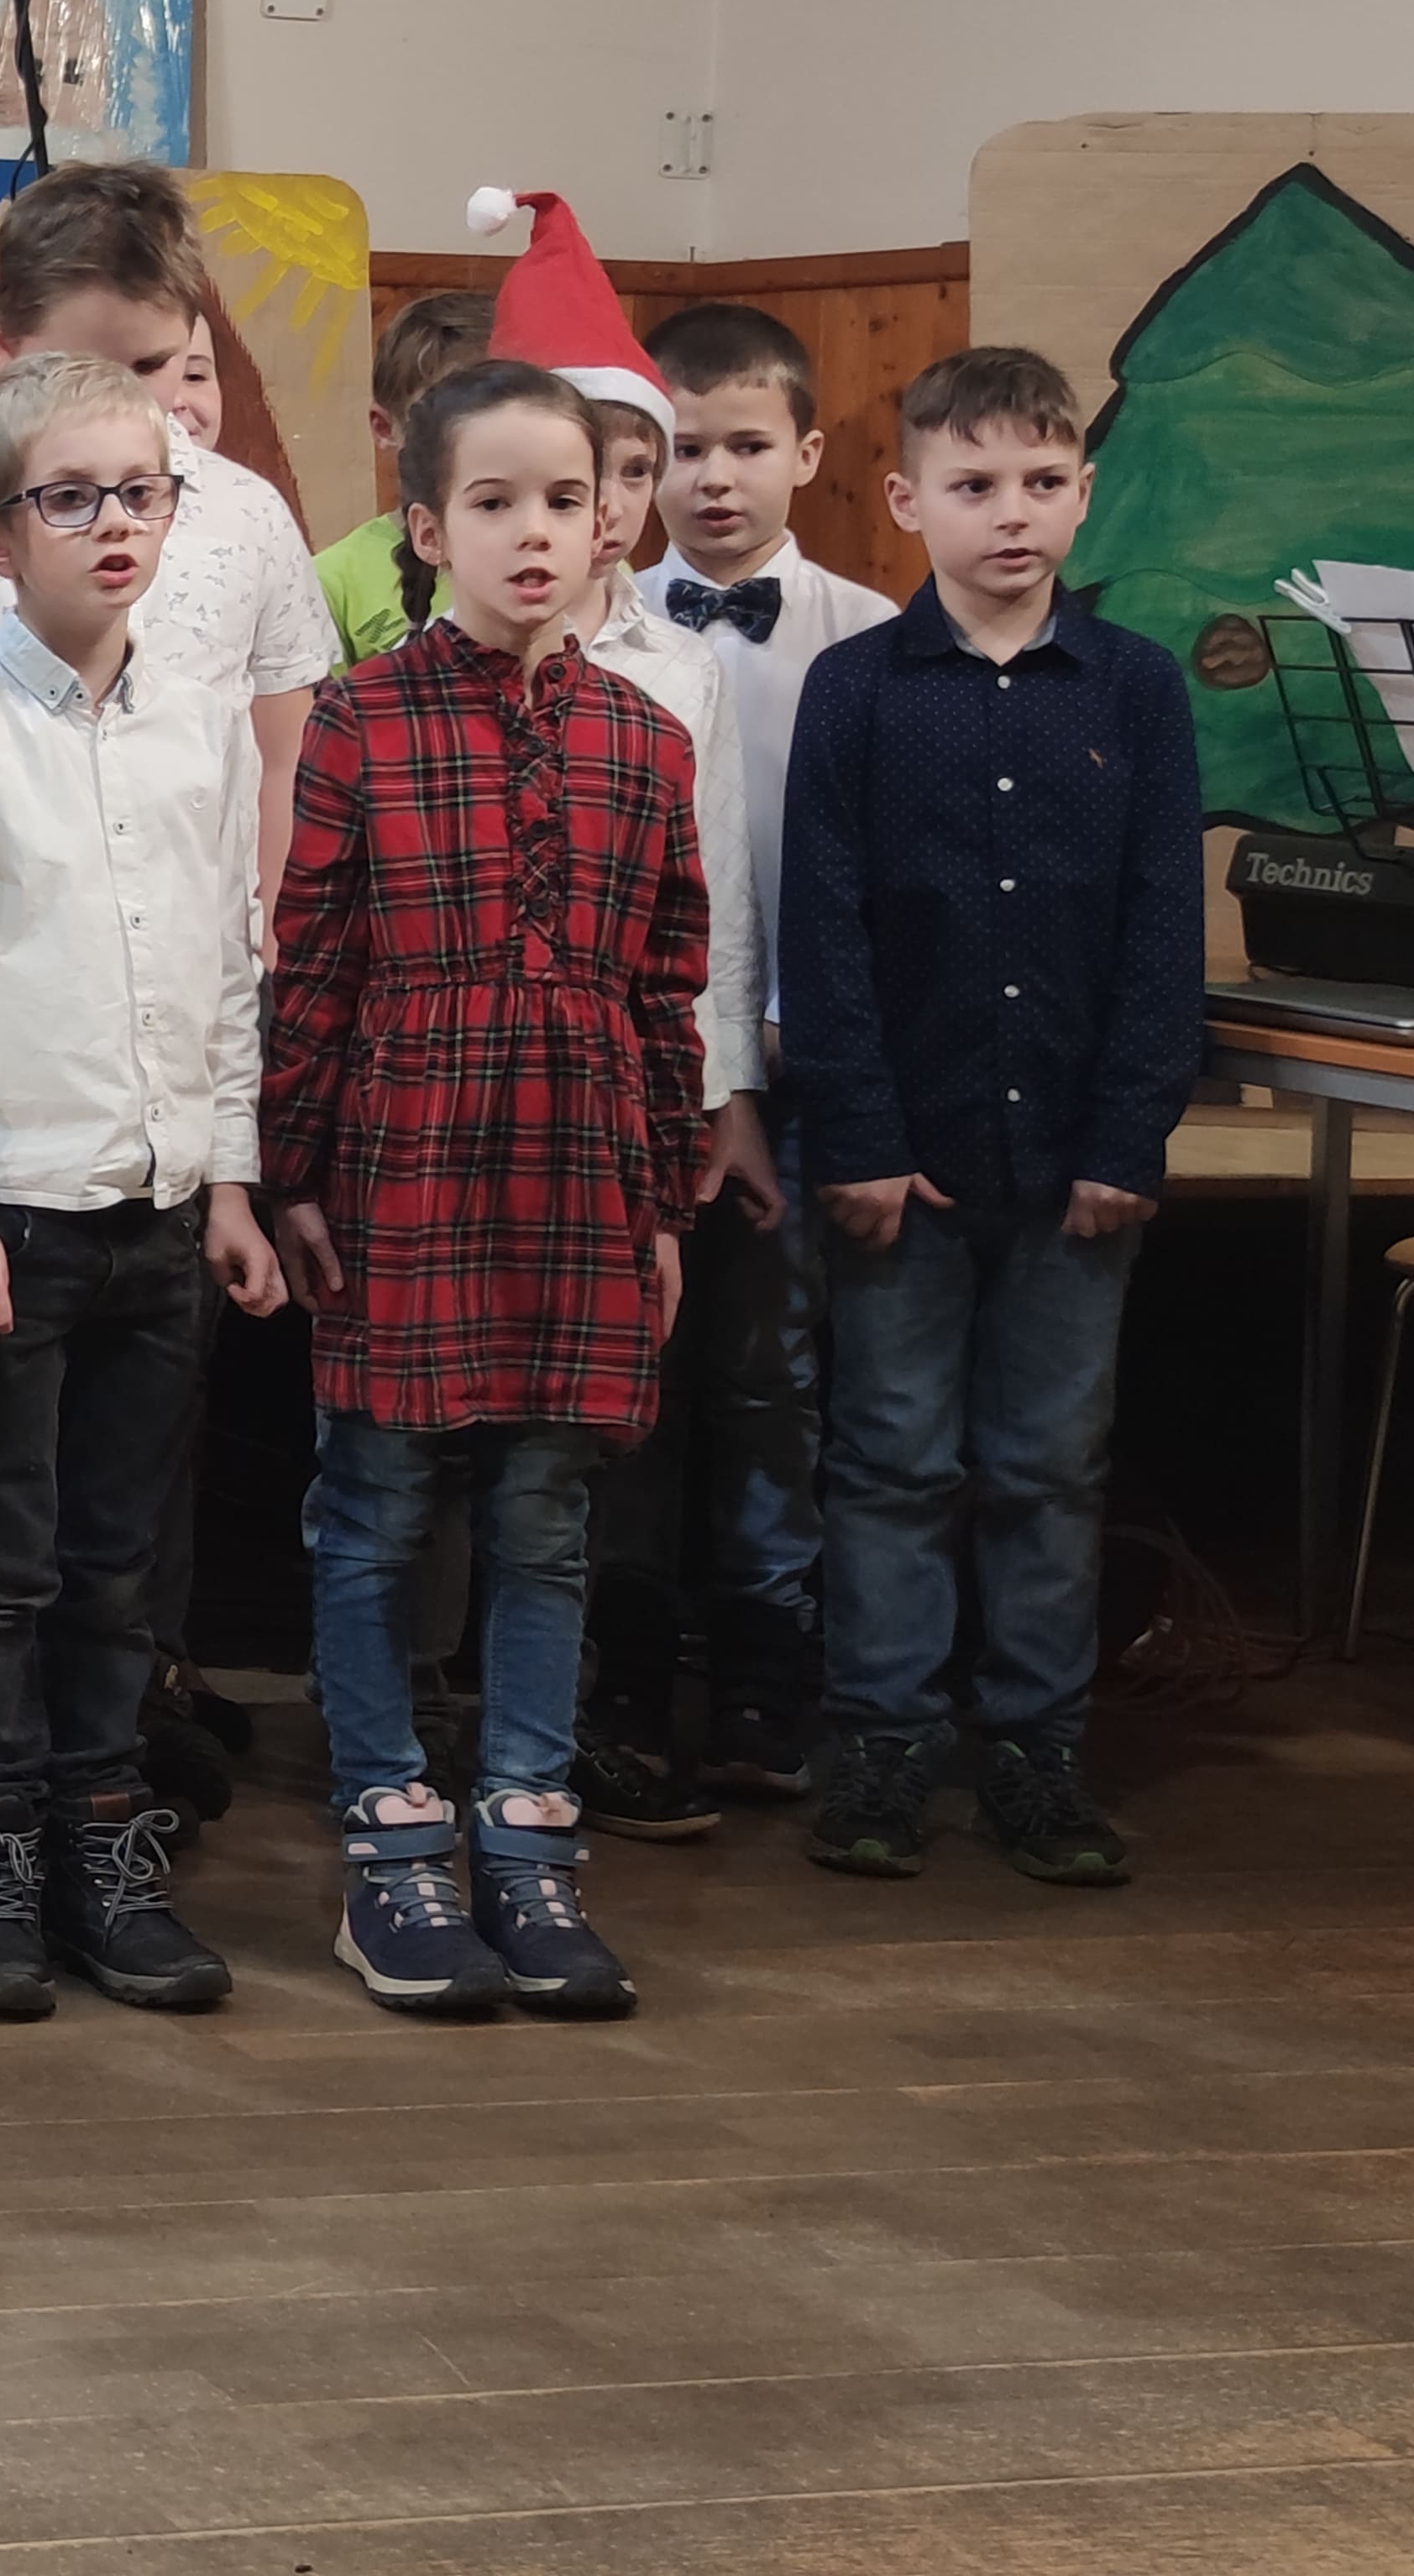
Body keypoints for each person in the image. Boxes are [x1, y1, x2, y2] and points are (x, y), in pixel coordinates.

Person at [264, 360, 710, 2023]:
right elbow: (312, 963)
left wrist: (663, 1202)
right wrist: (292, 1170)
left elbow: (666, 987)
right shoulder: (360, 722)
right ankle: (389, 1849)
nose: (535, 532)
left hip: (580, 1173)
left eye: (566, 500)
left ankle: (526, 1841)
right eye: (495, 501)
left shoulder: (645, 740)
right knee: (374, 1513)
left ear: (608, 526)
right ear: (425, 527)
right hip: (404, 1160)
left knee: (542, 1519)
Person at [0, 352, 284, 2019]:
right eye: (70, 498)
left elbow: (227, 963)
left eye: (140, 493)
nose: (115, 523)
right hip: (13, 1217)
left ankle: (100, 1843)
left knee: (120, 1560)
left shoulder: (201, 723)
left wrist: (232, 1181)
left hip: (162, 1204)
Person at [782, 344, 1197, 1894]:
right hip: (907, 1159)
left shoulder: (1136, 689)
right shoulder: (856, 690)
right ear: (908, 503)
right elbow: (823, 929)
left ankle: (1037, 1751)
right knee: (891, 1458)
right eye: (973, 485)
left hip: (1076, 1161)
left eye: (1040, 481)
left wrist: (1128, 1141)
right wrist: (861, 1139)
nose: (1009, 513)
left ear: (1085, 493)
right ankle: (882, 1744)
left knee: (1048, 1466)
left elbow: (1163, 931)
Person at [478, 207, 774, 1835]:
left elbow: (706, 905)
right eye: (571, 471)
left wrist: (720, 1097)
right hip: (477, 1103)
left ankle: (623, 1704)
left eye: (629, 471)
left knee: (637, 1412)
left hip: (629, 1099)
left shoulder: (679, 672)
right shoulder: (443, 663)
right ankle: (494, 1704)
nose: (604, 504)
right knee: (491, 1427)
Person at [636, 298, 895, 1797]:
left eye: (745, 444)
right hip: (636, 1069)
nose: (713, 477)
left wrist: (801, 1034)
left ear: (806, 450)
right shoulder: (599, 629)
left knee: (769, 1378)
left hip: (797, 1070)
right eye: (682, 448)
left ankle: (761, 1671)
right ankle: (625, 1668)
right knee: (633, 1379)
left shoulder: (872, 640)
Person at [0, 162, 333, 888]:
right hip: (0, 917)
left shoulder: (249, 514)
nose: (118, 399)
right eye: (79, 366)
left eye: (151, 363)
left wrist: (276, 924)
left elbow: (285, 755)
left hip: (199, 922)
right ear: (5, 345)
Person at [312, 289, 496, 667]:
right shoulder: (334, 578)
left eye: (498, 413)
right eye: (445, 417)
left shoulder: (572, 556)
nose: (475, 440)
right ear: (385, 427)